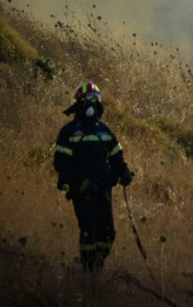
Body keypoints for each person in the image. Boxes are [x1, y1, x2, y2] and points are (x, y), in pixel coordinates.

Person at [53, 81, 134, 273]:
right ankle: (88, 270)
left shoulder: (104, 131)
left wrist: (123, 173)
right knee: (89, 232)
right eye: (87, 99)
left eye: (95, 99)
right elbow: (61, 164)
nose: (91, 103)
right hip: (82, 190)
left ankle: (97, 265)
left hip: (103, 189)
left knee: (108, 234)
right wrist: (80, 184)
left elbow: (116, 157)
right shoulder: (69, 132)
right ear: (79, 103)